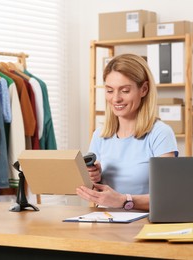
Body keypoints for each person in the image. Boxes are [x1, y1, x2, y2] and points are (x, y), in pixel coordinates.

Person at [76, 53, 178, 211]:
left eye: (124, 90)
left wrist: (124, 200)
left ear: (143, 89)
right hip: (104, 222)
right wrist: (92, 179)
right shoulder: (100, 135)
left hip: (144, 225)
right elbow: (95, 193)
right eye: (110, 90)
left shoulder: (160, 134)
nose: (116, 99)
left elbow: (169, 195)